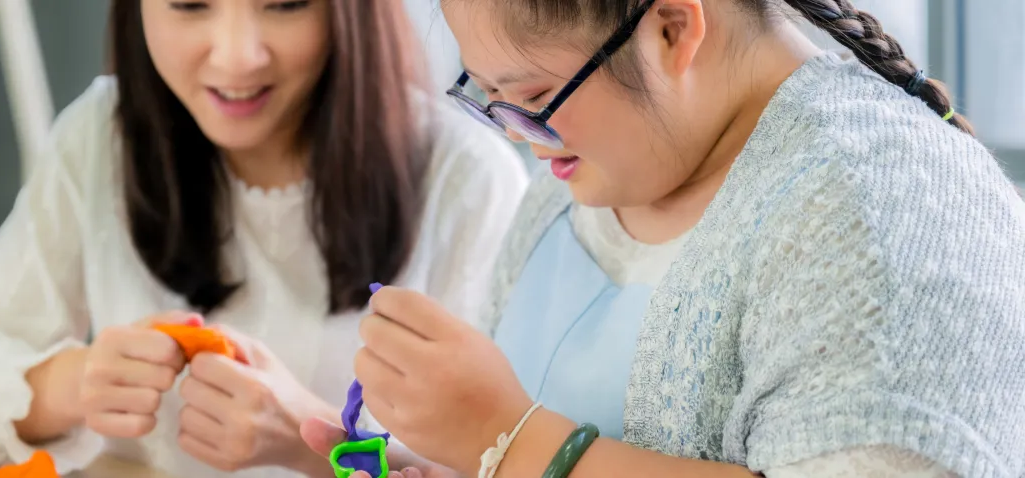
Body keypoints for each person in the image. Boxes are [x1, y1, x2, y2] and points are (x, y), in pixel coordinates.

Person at [302, 0, 1025, 476]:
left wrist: (509, 440)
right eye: (488, 97)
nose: (522, 140)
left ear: (673, 29)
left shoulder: (882, 212)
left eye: (530, 99)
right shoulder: (581, 178)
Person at [0, 0, 528, 476]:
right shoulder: (102, 136)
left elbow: (501, 462)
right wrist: (76, 381)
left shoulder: (467, 176)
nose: (235, 57)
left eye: (283, 4)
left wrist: (307, 438)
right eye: (189, 3)